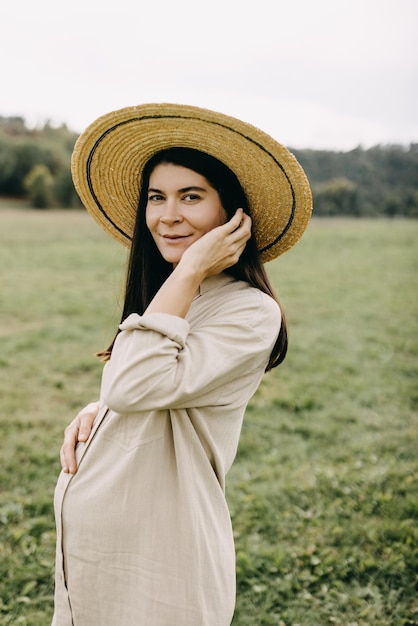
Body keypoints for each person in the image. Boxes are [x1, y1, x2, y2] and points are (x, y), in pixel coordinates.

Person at [52, 103, 312, 626]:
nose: (167, 215)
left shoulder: (249, 312)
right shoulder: (172, 296)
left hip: (163, 564)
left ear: (232, 215)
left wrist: (192, 265)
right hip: (93, 564)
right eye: (156, 197)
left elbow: (134, 385)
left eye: (191, 196)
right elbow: (138, 390)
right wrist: (101, 411)